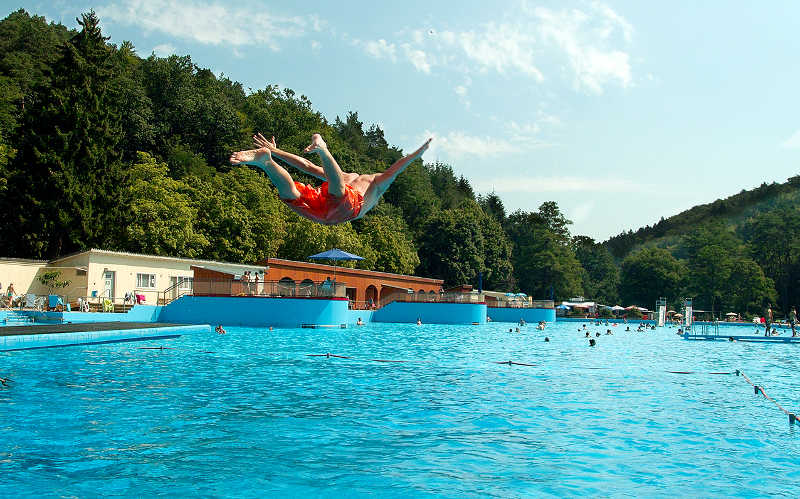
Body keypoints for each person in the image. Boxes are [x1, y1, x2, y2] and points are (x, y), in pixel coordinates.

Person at [230, 133, 432, 225]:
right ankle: (323, 150)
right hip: (343, 209)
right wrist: (416, 155)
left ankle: (266, 161)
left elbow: (305, 166)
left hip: (325, 205)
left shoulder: (345, 176)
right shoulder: (375, 183)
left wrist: (275, 151)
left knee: (291, 194)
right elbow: (395, 169)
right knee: (338, 193)